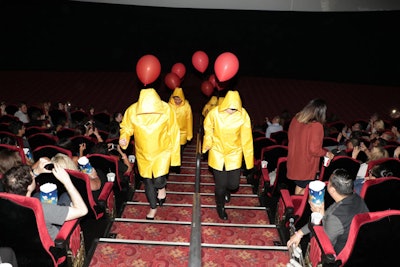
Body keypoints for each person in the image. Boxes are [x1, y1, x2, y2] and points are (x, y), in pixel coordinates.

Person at [119, 88, 180, 220]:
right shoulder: (132, 110)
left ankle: (162, 187)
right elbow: (126, 127)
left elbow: (174, 132)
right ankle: (153, 207)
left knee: (158, 181)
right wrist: (124, 138)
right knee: (147, 182)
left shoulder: (167, 109)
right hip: (143, 153)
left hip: (162, 151)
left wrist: (175, 157)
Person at [287, 168, 369, 255]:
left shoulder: (335, 216)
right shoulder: (357, 198)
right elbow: (329, 220)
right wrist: (300, 233)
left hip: (337, 257)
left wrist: (316, 216)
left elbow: (323, 245)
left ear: (332, 190)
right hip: (361, 247)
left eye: (329, 182)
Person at [202, 90, 254, 220]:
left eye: (234, 108)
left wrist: (249, 160)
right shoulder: (214, 113)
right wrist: (207, 143)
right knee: (220, 184)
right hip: (217, 152)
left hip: (234, 153)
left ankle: (226, 191)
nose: (232, 110)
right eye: (230, 108)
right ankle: (220, 206)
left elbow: (247, 138)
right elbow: (208, 127)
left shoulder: (243, 116)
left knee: (233, 185)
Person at [2, 163, 88, 240]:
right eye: (32, 176)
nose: (33, 175)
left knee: (38, 195)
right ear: (28, 187)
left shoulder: (4, 203)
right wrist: (67, 182)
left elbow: (21, 184)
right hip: (55, 243)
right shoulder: (40, 209)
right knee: (66, 196)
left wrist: (36, 172)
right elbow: (83, 211)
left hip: (27, 242)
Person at [287, 99, 334, 195]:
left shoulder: (296, 119)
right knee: (303, 190)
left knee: (300, 187)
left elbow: (290, 137)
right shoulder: (316, 126)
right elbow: (314, 149)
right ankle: (297, 208)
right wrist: (326, 153)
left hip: (295, 161)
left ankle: (296, 207)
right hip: (306, 164)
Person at [168, 87, 193, 172]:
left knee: (179, 151)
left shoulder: (186, 106)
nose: (177, 101)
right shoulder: (169, 106)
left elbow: (189, 120)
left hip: (182, 133)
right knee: (171, 150)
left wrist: (189, 135)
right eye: (175, 99)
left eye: (179, 99)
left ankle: (177, 167)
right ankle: (170, 166)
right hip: (171, 132)